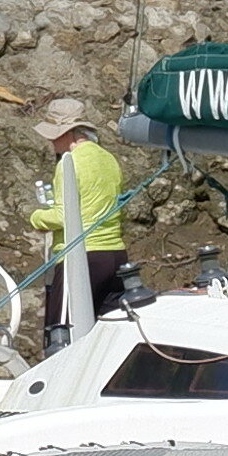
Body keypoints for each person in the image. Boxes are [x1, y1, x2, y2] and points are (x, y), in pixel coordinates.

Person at [35, 96, 134, 338]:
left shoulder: (69, 163)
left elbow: (63, 215)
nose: (51, 142)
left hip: (82, 257)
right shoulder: (108, 159)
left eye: (54, 135)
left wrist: (36, 218)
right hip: (115, 255)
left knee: (63, 333)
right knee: (106, 332)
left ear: (68, 133)